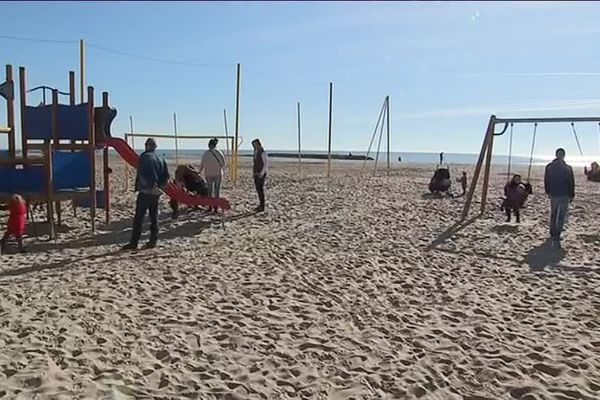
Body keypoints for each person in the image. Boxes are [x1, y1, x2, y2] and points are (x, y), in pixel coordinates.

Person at [123, 138, 169, 250]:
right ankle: (153, 241)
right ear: (155, 147)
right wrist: (159, 188)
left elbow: (143, 173)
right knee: (154, 217)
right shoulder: (161, 158)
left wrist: (148, 187)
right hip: (156, 191)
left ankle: (134, 243)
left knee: (139, 217)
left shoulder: (145, 156)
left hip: (146, 191)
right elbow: (166, 177)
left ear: (147, 146)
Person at [544, 148, 575, 245]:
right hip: (564, 194)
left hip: (554, 194)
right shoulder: (567, 168)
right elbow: (571, 182)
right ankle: (557, 234)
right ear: (563, 156)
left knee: (554, 214)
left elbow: (546, 180)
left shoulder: (549, 166)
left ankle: (553, 233)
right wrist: (571, 194)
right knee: (561, 215)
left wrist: (548, 191)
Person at [198, 138, 225, 213]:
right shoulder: (219, 152)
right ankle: (215, 207)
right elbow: (223, 164)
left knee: (209, 191)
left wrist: (199, 172)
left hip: (208, 174)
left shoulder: (206, 153)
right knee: (217, 191)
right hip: (218, 174)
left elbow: (202, 164)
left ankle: (210, 207)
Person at [252, 139, 268, 212]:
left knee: (260, 190)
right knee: (258, 190)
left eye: (255, 145)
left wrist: (261, 173)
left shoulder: (263, 153)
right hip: (256, 173)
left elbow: (265, 164)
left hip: (261, 174)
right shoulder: (256, 152)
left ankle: (262, 205)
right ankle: (260, 205)